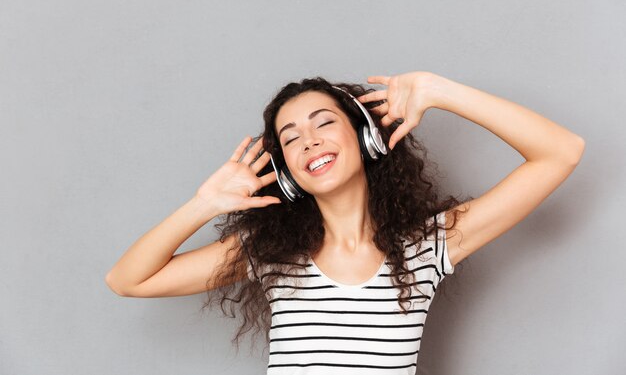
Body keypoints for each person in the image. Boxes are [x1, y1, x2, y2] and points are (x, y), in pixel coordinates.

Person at [105, 71, 585, 374]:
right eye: (291, 139)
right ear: (288, 172)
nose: (309, 141)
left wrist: (442, 91)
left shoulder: (430, 246)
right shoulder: (270, 253)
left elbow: (561, 153)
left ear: (366, 139)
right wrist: (203, 205)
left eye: (324, 123)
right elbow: (128, 280)